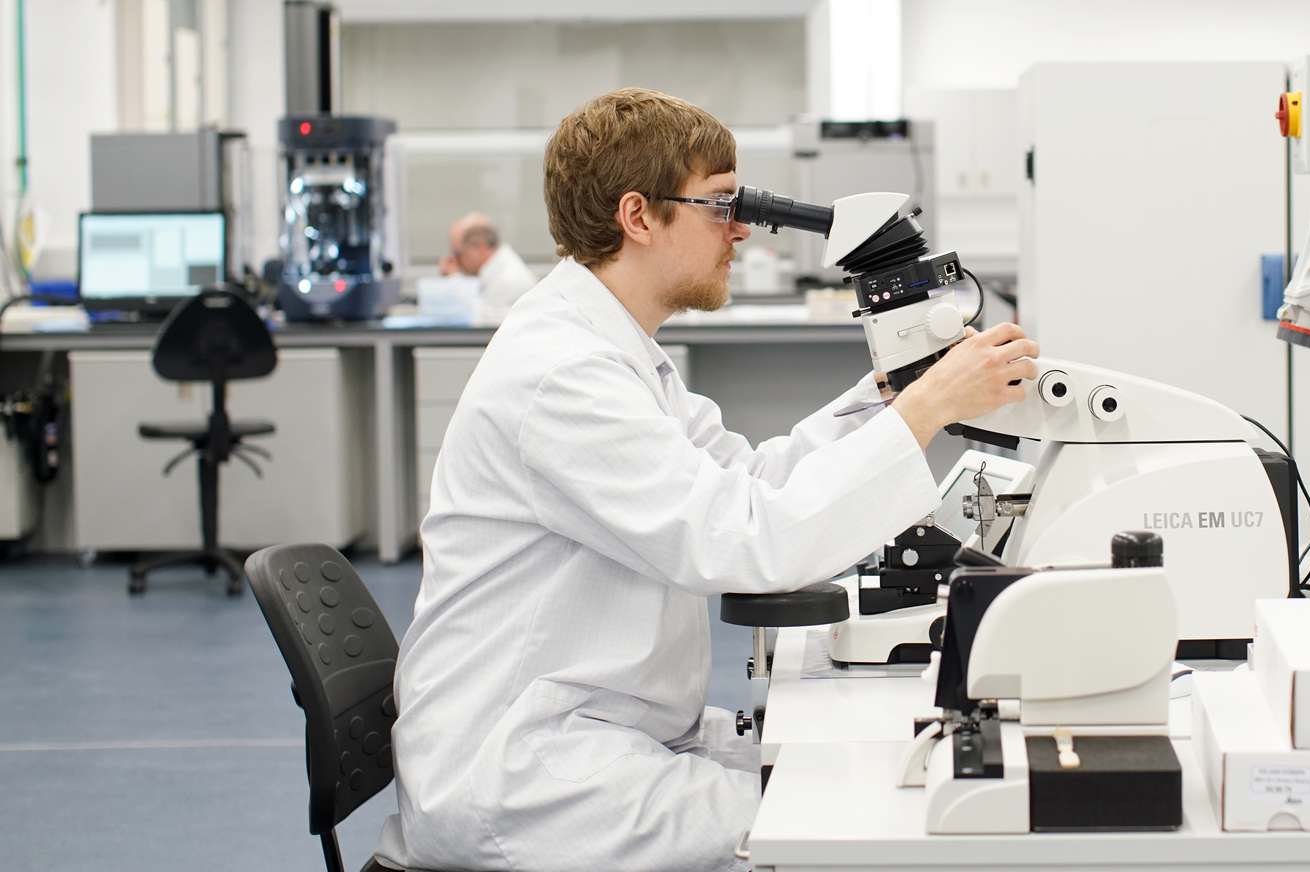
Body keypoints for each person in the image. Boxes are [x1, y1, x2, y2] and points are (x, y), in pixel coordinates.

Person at [376, 88, 1039, 872]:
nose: (744, 226)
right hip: (527, 778)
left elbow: (747, 480)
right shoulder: (562, 375)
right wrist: (927, 411)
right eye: (722, 203)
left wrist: (892, 397)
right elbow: (745, 541)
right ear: (639, 216)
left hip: (599, 733)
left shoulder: (613, 350)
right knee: (842, 826)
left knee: (853, 773)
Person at [438, 211, 538, 320]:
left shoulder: (508, 279)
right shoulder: (495, 271)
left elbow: (481, 322)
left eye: (457, 254)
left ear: (480, 247)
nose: (455, 262)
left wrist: (455, 280)